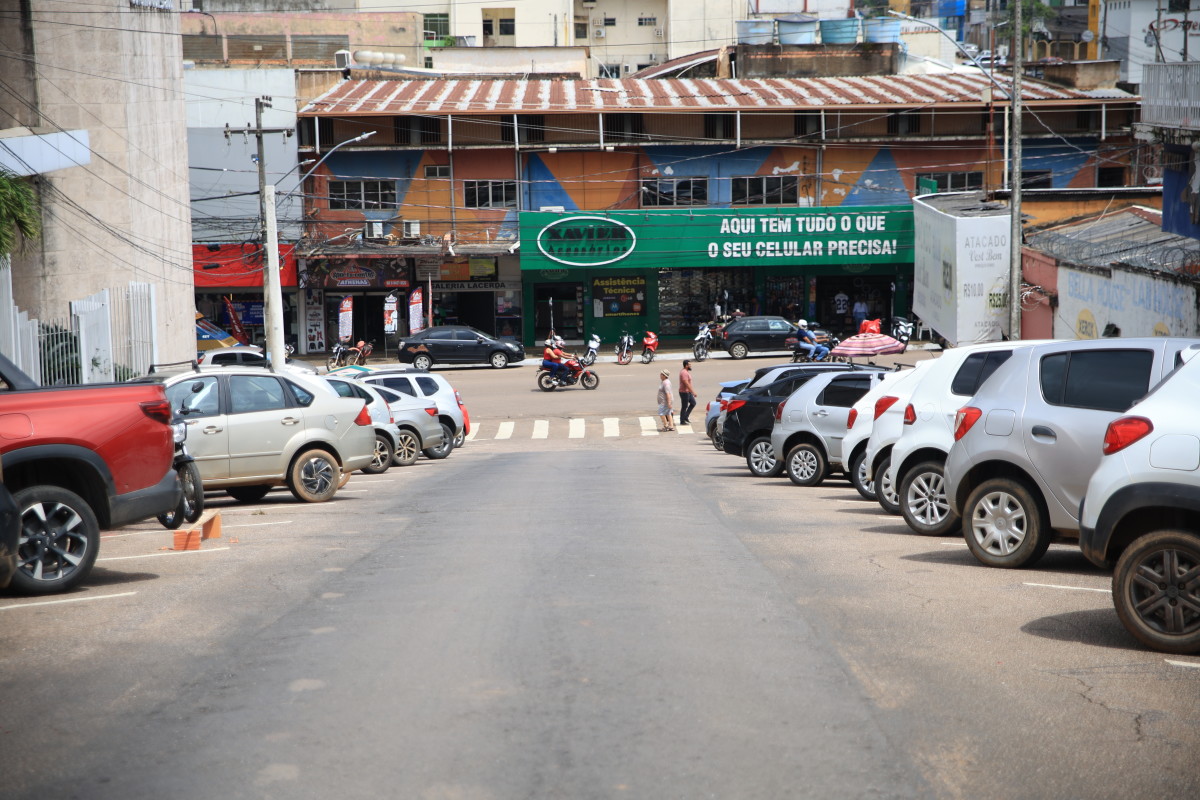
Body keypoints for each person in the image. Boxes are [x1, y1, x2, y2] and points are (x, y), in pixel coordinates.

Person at [678, 359, 696, 426]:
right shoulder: (684, 373)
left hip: (688, 392)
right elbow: (686, 383)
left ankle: (685, 417)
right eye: (689, 364)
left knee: (693, 403)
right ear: (686, 365)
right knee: (684, 406)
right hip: (684, 392)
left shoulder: (686, 372)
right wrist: (693, 392)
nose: (690, 365)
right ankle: (682, 420)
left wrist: (690, 391)